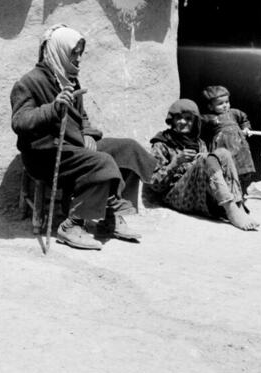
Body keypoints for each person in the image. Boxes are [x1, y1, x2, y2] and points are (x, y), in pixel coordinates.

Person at [10, 24, 156, 250]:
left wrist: (87, 133)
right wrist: (53, 108)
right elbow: (20, 122)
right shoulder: (29, 82)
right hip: (45, 153)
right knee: (102, 162)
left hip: (73, 145)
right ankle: (72, 225)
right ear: (58, 51)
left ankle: (110, 216)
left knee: (129, 149)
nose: (78, 59)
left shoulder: (69, 79)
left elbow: (82, 117)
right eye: (73, 53)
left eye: (80, 53)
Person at [149, 99, 259, 231]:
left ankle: (237, 205)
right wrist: (176, 162)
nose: (183, 122)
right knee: (206, 159)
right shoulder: (162, 144)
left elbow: (211, 175)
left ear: (195, 122)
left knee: (223, 153)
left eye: (188, 119)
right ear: (171, 120)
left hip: (199, 193)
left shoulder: (199, 143)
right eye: (178, 118)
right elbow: (154, 184)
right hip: (176, 196)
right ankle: (231, 209)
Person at [200, 84, 256, 198]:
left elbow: (244, 119)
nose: (225, 105)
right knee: (225, 170)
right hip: (223, 146)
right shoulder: (209, 118)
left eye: (227, 102)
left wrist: (246, 128)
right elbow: (198, 124)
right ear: (210, 106)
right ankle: (228, 194)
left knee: (242, 168)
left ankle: (241, 192)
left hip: (239, 146)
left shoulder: (235, 113)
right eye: (220, 104)